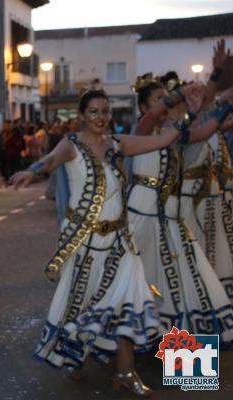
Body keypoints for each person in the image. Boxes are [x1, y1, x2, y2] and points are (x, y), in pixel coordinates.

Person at [11, 89, 189, 396]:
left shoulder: (118, 144)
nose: (101, 117)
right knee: (83, 302)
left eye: (105, 111)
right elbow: (50, 159)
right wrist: (32, 169)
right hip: (86, 241)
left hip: (120, 242)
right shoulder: (72, 144)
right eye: (93, 111)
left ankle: (126, 371)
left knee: (129, 302)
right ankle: (77, 354)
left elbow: (162, 140)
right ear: (81, 115)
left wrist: (180, 111)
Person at [128, 73, 233, 342]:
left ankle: (188, 373)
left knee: (190, 287)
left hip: (172, 220)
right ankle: (124, 349)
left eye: (167, 97)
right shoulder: (140, 131)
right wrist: (180, 96)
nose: (166, 103)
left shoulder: (176, 133)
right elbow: (154, 116)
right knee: (133, 283)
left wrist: (225, 102)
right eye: (158, 99)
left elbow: (208, 130)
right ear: (143, 107)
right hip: (142, 217)